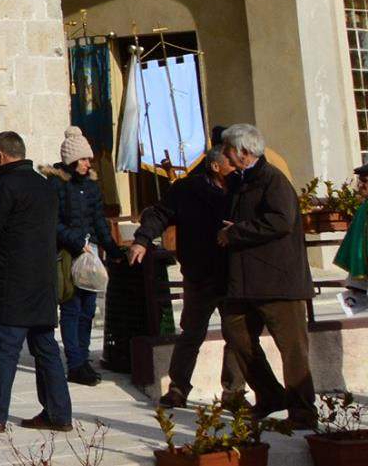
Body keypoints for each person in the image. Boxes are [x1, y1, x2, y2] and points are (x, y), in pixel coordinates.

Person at [0, 130, 71, 434]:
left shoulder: (5, 185)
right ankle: (58, 414)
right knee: (46, 347)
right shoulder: (45, 186)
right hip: (43, 279)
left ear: (0, 155)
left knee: (5, 347)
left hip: (14, 281)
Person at [215, 123, 315, 428]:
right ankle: (271, 396)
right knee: (237, 336)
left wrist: (236, 233)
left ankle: (302, 413)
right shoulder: (242, 181)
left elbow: (280, 221)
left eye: (230, 150)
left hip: (279, 283)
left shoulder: (273, 180)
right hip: (245, 283)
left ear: (244, 152)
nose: (226, 155)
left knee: (292, 350)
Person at [129, 148, 243, 408]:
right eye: (231, 161)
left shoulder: (241, 186)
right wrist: (142, 240)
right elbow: (159, 214)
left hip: (235, 274)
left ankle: (234, 393)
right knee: (191, 334)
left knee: (237, 335)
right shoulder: (187, 189)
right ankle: (178, 389)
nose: (236, 165)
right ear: (215, 166)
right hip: (200, 274)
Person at [52, 126, 116, 386]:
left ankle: (84, 358)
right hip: (68, 253)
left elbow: (98, 219)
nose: (88, 163)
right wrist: (76, 241)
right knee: (71, 307)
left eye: (88, 159)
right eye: (83, 159)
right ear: (71, 160)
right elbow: (53, 221)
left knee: (88, 307)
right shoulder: (57, 184)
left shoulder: (90, 185)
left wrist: (111, 247)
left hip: (90, 253)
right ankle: (75, 362)